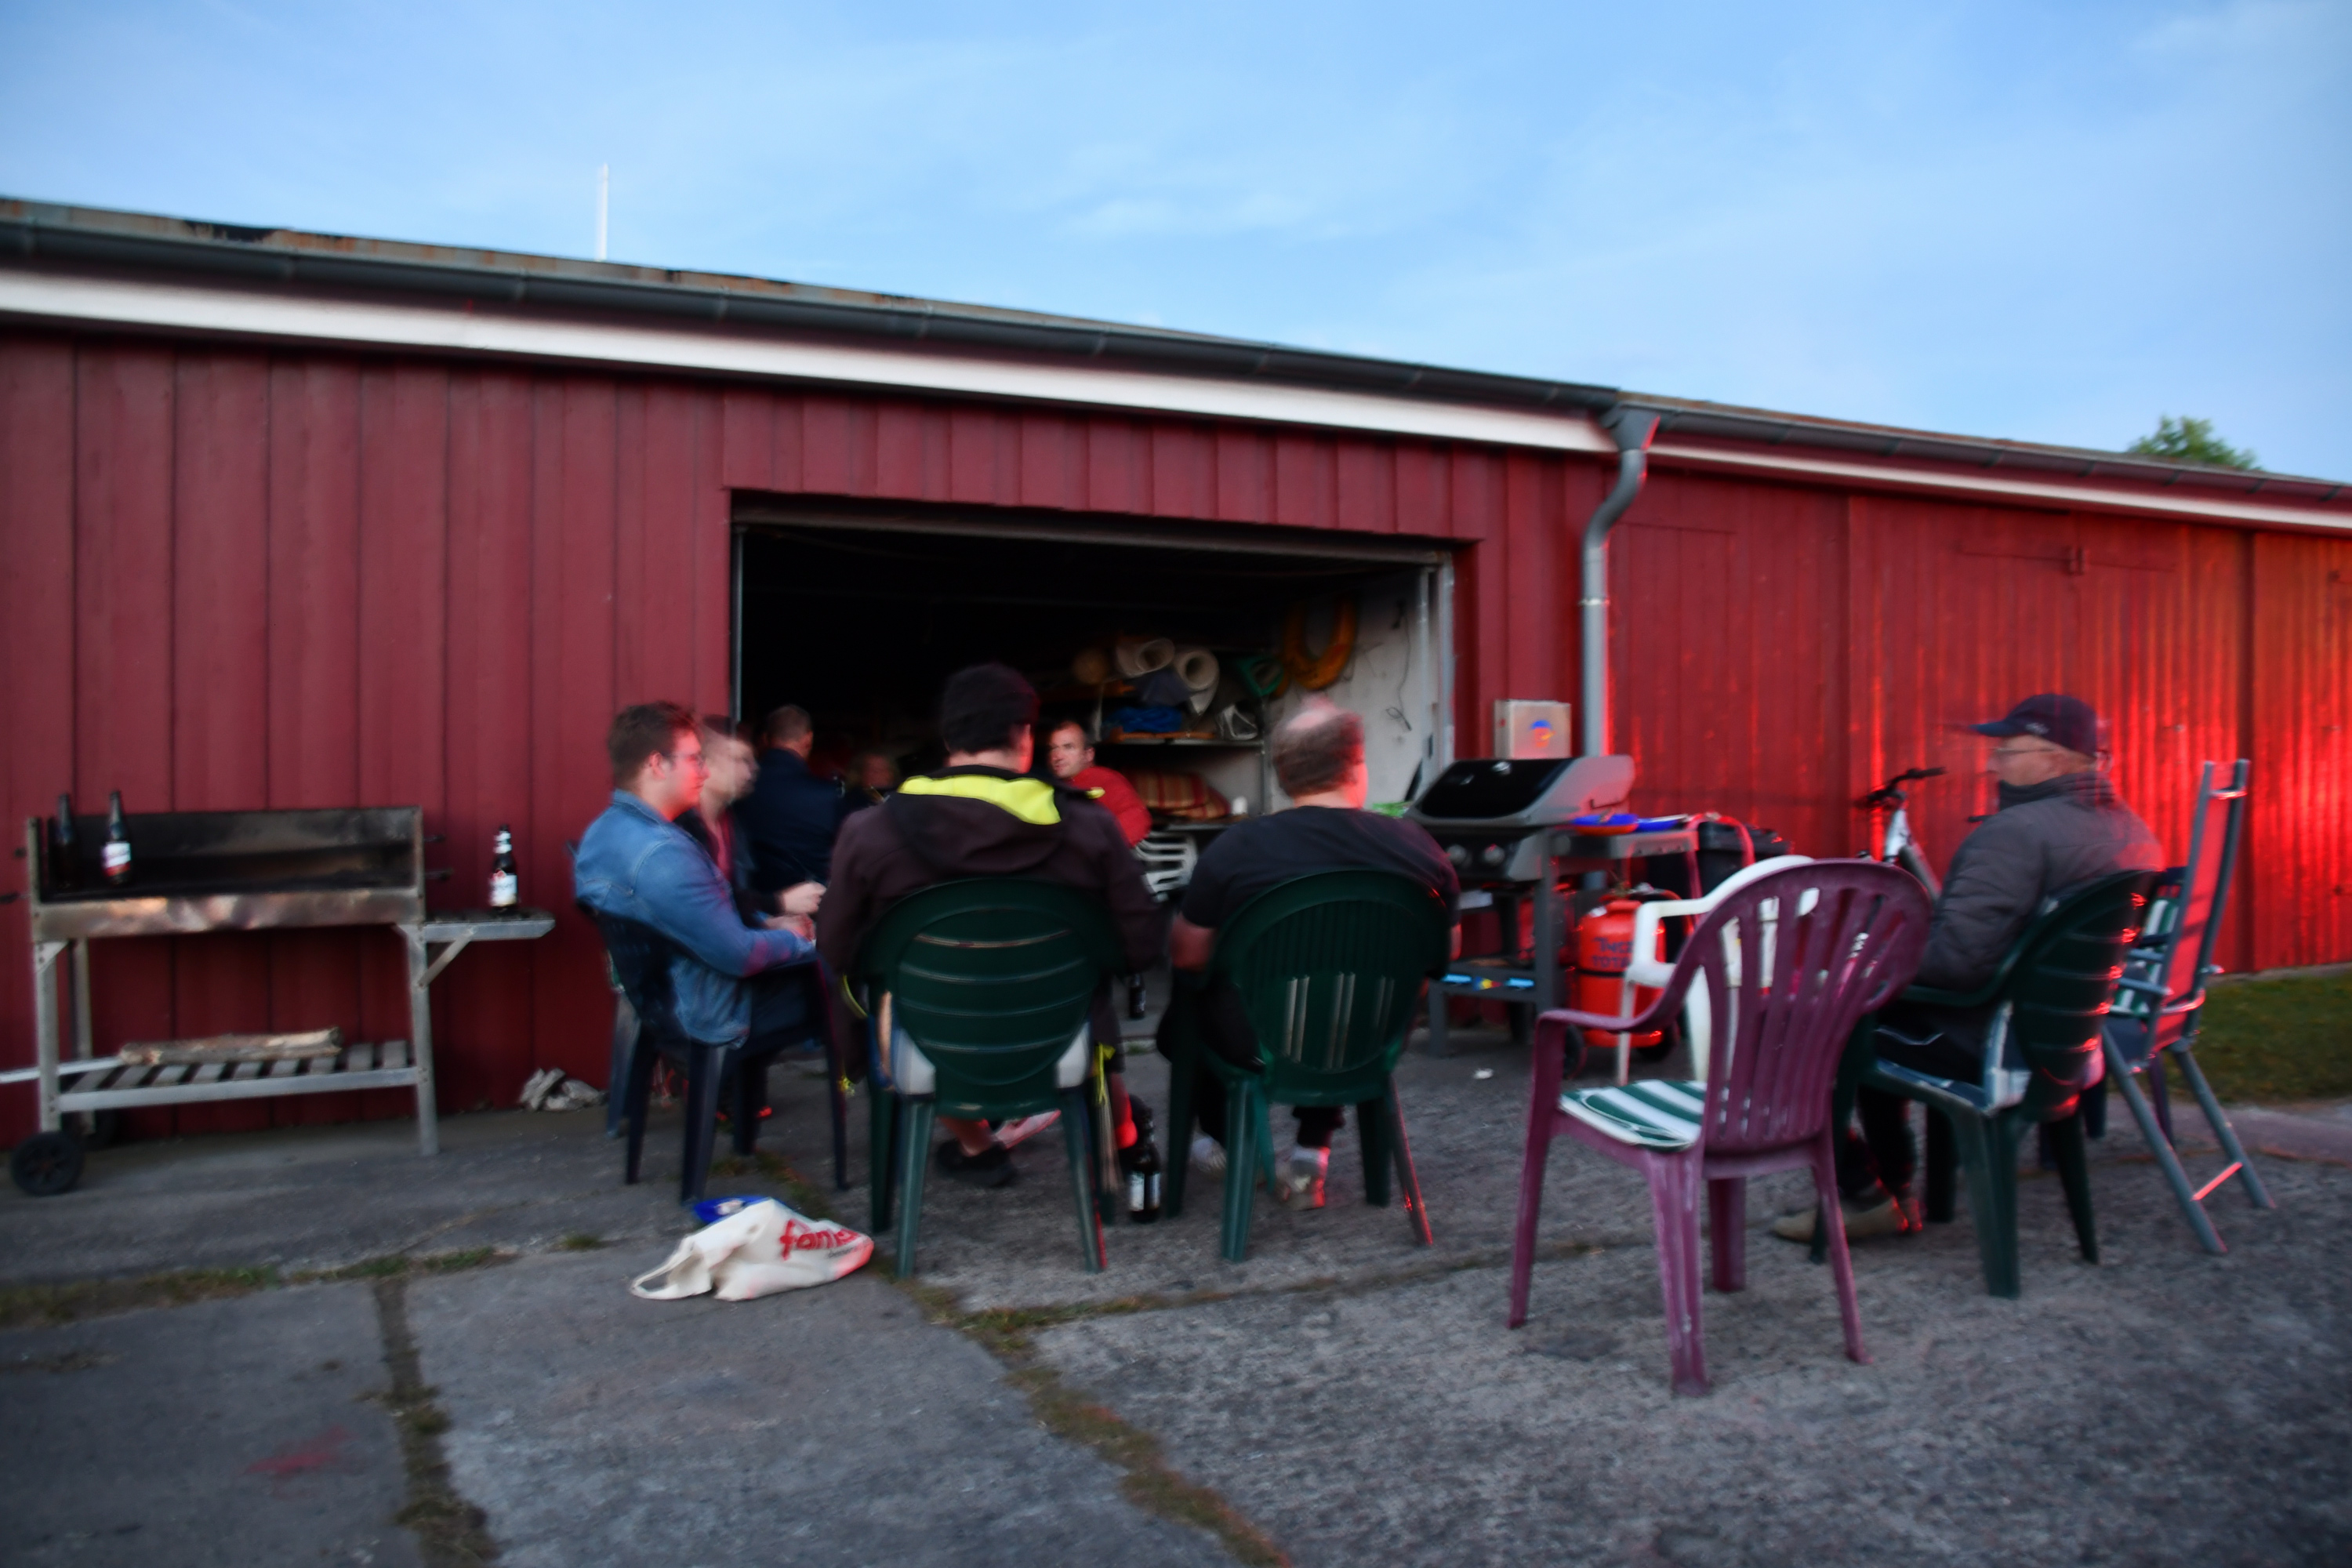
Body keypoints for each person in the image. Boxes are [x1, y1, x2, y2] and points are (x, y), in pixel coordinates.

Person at [1774, 693, 2164, 1243]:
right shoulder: (2135, 834)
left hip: (1987, 1041)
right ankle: (1892, 1185)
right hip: (2063, 1045)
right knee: (1866, 1014)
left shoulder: (2015, 834)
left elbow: (1957, 964)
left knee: (1793, 1025)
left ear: (2056, 758)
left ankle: (1869, 1192)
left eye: (2007, 751)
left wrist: (1866, 964)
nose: (1992, 764)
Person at [818, 666, 1163, 1188]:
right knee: (1090, 1001)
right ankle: (1123, 1142)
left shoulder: (869, 832)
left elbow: (834, 947)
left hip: (931, 1049)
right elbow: (1141, 946)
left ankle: (977, 1144)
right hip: (1060, 1043)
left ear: (948, 739)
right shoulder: (1089, 827)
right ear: (1025, 737)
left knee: (889, 1002)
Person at [1159, 702, 1460, 1210]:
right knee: (1344, 991)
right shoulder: (1419, 847)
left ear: (1283, 775)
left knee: (1197, 997)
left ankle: (1228, 1142)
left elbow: (1188, 955)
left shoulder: (1237, 849)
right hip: (1370, 1038)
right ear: (1356, 764)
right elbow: (1446, 952)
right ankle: (1311, 1151)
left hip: (1258, 1044)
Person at [573, 702, 828, 1094]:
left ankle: (743, 1103)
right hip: (709, 1013)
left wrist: (768, 924)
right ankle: (874, 1106)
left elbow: (705, 920)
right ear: (657, 765)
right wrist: (800, 940)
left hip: (665, 1003)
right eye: (694, 759)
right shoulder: (665, 853)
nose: (704, 771)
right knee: (843, 977)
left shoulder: (604, 832)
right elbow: (739, 955)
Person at [735, 704, 849, 902]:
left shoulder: (739, 789)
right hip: (812, 902)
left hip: (750, 901)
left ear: (766, 739)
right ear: (808, 739)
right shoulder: (827, 795)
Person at [1044, 718, 1152, 846]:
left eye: (1068, 747)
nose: (1057, 756)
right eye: (1053, 749)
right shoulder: (1055, 785)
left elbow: (1137, 819)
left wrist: (1098, 847)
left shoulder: (1104, 780)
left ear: (1088, 754)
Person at [841, 750, 900, 815]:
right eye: (872, 770)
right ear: (860, 774)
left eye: (883, 769)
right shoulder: (850, 805)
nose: (877, 774)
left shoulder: (902, 799)